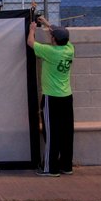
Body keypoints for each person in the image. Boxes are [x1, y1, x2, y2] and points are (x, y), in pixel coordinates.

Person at [27, 14, 75, 177]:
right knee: (66, 132)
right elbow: (57, 35)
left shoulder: (49, 52)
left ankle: (50, 168)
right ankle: (66, 166)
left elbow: (30, 43)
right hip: (66, 97)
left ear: (53, 39)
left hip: (52, 98)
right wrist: (46, 23)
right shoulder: (69, 49)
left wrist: (32, 30)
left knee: (51, 132)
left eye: (52, 35)